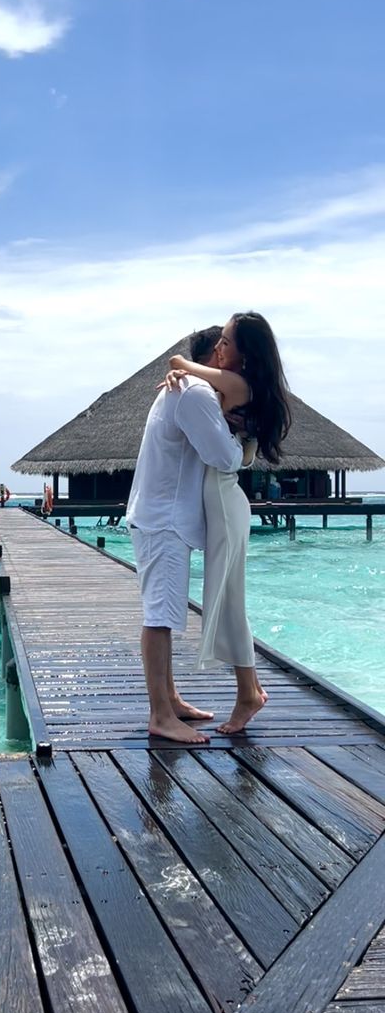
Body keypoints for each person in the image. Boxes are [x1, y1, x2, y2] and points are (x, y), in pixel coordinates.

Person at [166, 311, 291, 732]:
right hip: (223, 500)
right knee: (230, 598)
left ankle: (247, 695)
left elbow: (185, 366)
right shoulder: (232, 383)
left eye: (227, 341)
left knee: (230, 601)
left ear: (245, 352)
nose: (219, 347)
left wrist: (179, 371)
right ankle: (250, 690)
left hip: (222, 499)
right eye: (218, 341)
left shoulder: (237, 383)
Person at [126, 325, 244, 744]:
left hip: (160, 516)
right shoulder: (194, 393)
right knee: (160, 617)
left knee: (165, 612)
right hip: (164, 520)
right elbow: (223, 457)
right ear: (213, 357)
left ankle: (170, 699)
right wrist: (239, 439)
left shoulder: (188, 390)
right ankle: (160, 714)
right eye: (226, 353)